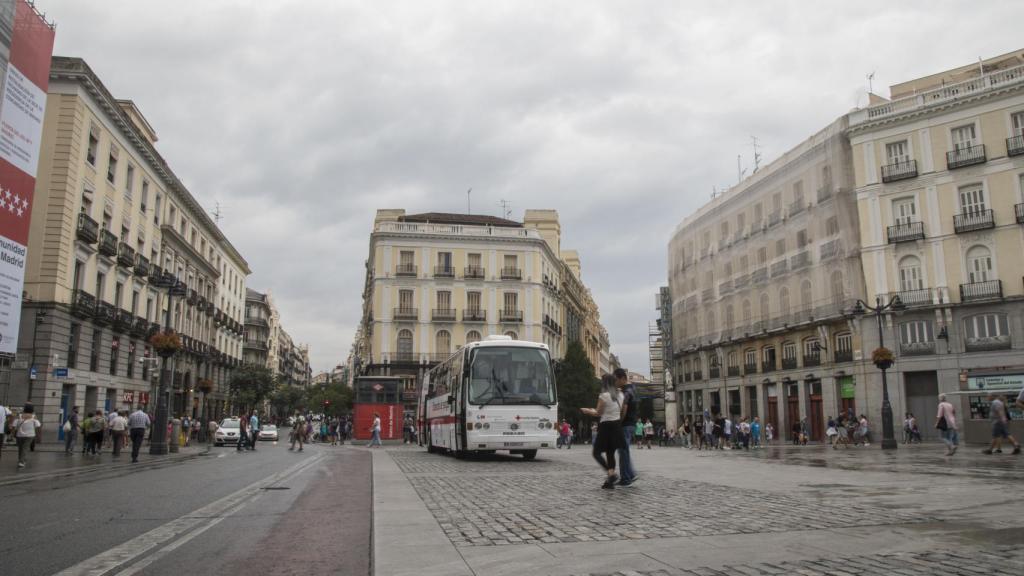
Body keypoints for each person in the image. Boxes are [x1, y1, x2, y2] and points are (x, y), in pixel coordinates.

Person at [581, 374, 624, 489]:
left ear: (604, 383)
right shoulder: (620, 395)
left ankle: (611, 474)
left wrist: (588, 411)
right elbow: (621, 410)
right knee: (610, 453)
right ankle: (609, 482)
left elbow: (598, 413)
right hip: (616, 425)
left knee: (596, 452)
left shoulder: (604, 395)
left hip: (606, 426)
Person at [614, 368, 638, 486]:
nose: (615, 382)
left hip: (626, 424)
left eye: (616, 380)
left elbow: (624, 408)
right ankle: (631, 474)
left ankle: (626, 478)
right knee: (624, 450)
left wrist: (619, 421)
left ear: (623, 378)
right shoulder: (632, 388)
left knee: (622, 451)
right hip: (631, 424)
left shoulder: (626, 392)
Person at [14, 404, 41, 469]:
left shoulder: (20, 416)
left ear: (24, 409)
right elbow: (38, 426)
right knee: (25, 448)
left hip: (19, 435)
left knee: (21, 448)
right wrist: (38, 435)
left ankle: (21, 460)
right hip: (30, 435)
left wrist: (13, 433)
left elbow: (14, 424)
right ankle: (22, 461)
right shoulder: (33, 416)